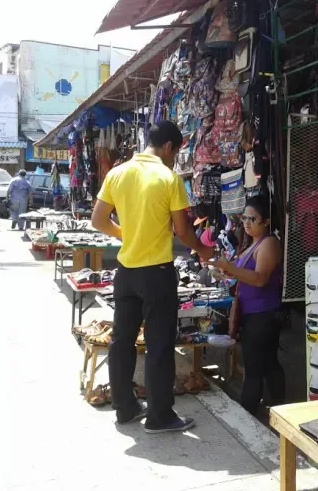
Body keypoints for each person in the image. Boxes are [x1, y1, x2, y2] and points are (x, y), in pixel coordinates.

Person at [91, 121, 215, 433]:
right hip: (157, 274)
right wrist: (205, 251)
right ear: (169, 147)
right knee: (159, 345)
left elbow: (98, 220)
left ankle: (125, 409)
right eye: (176, 152)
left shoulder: (117, 173)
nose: (175, 158)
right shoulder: (168, 177)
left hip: (126, 273)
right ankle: (160, 416)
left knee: (122, 342)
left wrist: (127, 236)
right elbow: (183, 231)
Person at [212, 196, 286, 415]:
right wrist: (223, 271)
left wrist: (231, 269)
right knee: (267, 361)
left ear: (266, 221)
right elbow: (241, 273)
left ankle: (248, 411)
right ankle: (279, 405)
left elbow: (260, 278)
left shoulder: (269, 243)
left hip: (264, 313)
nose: (246, 222)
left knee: (255, 365)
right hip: (255, 312)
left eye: (252, 218)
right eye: (244, 218)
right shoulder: (252, 243)